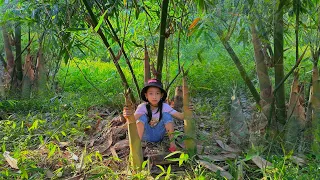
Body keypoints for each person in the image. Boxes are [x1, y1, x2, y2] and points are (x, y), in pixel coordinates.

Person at [123, 79, 188, 152]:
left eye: (157, 93)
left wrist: (188, 109)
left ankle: (172, 145)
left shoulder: (164, 107)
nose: (154, 97)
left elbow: (181, 116)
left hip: (159, 135)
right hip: (145, 136)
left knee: (167, 115)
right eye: (151, 93)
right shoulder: (142, 107)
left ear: (161, 95)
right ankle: (137, 145)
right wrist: (127, 116)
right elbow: (132, 121)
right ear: (146, 95)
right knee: (142, 117)